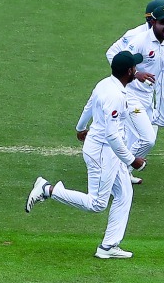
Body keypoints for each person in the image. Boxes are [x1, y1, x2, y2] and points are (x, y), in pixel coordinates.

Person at [24, 51, 147, 259]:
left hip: (107, 151)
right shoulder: (115, 96)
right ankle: (48, 189)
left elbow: (89, 106)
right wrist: (132, 160)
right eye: (134, 67)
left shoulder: (104, 84)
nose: (136, 69)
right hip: (102, 152)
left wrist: (81, 127)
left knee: (124, 194)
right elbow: (112, 136)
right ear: (129, 71)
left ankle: (108, 246)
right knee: (97, 204)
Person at [105, 2, 164, 180]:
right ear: (153, 22)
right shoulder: (138, 40)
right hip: (130, 96)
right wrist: (137, 73)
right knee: (147, 139)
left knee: (142, 139)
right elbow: (119, 61)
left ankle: (122, 172)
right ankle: (115, 171)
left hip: (147, 97)